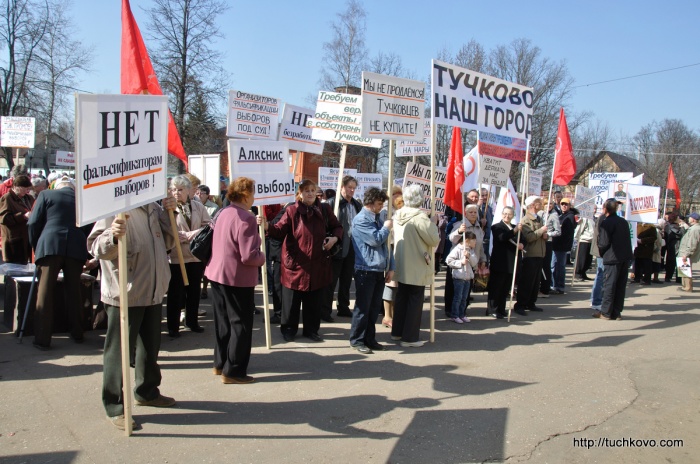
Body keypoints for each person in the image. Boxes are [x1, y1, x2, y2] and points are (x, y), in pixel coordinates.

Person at [87, 195, 179, 431]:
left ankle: (147, 391)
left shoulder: (153, 207)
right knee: (118, 351)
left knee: (150, 346)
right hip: (125, 292)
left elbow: (169, 241)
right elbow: (95, 247)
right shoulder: (113, 205)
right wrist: (112, 235)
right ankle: (115, 405)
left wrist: (171, 215)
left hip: (153, 288)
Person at [205, 177, 265, 384]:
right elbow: (249, 256)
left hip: (217, 274)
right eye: (253, 193)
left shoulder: (223, 212)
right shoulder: (245, 218)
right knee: (240, 324)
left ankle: (220, 363)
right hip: (236, 278)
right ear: (246, 195)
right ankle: (234, 370)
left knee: (223, 322)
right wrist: (263, 256)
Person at [267, 179, 342, 342]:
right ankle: (288, 329)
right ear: (300, 193)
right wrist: (266, 226)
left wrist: (334, 239)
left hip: (318, 263)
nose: (309, 193)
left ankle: (311, 330)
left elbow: (338, 227)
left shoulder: (324, 209)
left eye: (312, 190)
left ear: (317, 193)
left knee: (314, 301)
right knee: (291, 302)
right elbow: (279, 231)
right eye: (306, 190)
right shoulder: (291, 210)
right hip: (295, 264)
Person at [27, 176, 91, 350]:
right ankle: (77, 332)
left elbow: (33, 222)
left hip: (50, 244)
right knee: (74, 291)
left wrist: (37, 244)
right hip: (75, 247)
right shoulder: (82, 200)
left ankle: (42, 338)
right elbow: (89, 226)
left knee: (45, 292)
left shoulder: (47, 195)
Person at [391, 184, 440, 347]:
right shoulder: (420, 217)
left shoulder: (397, 214)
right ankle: (410, 338)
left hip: (401, 261)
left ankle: (397, 332)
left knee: (402, 298)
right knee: (414, 300)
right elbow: (433, 240)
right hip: (417, 263)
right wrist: (433, 223)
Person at [348, 187, 393, 354]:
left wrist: (390, 267)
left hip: (378, 269)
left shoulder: (377, 219)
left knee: (374, 308)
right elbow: (376, 240)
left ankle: (369, 338)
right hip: (365, 269)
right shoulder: (361, 220)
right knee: (363, 308)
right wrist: (387, 227)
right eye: (379, 203)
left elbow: (387, 246)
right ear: (370, 202)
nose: (381, 206)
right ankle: (357, 340)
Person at [166, 175, 211, 338]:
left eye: (180, 190)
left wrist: (191, 234)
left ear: (187, 191)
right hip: (176, 256)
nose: (176, 193)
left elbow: (209, 226)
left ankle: (192, 321)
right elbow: (164, 227)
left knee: (194, 291)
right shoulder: (167, 208)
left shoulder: (198, 206)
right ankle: (173, 326)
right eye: (173, 190)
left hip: (195, 255)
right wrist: (176, 235)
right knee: (175, 293)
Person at [322, 176, 362, 321]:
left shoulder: (357, 205)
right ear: (342, 187)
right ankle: (325, 310)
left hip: (352, 246)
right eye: (349, 187)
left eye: (354, 187)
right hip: (336, 246)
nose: (352, 190)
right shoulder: (332, 203)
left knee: (346, 279)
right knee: (331, 280)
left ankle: (343, 307)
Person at [595, 198, 633, 320]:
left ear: (605, 209)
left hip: (612, 258)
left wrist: (601, 252)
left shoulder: (608, 222)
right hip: (624, 257)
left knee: (609, 285)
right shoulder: (623, 222)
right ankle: (616, 312)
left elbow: (603, 242)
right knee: (620, 286)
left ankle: (606, 312)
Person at [447, 203, 487, 316]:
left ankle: (462, 312)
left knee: (465, 291)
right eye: (471, 212)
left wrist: (483, 259)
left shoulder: (479, 228)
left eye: (475, 212)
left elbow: (480, 246)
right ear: (465, 213)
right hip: (458, 262)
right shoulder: (461, 224)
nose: (473, 214)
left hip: (472, 262)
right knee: (455, 290)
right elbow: (452, 238)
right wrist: (459, 231)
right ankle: (451, 311)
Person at [513, 196, 548, 316]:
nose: (541, 204)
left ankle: (531, 302)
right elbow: (529, 237)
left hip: (540, 253)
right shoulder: (526, 220)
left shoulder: (539, 219)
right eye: (539, 202)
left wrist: (545, 235)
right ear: (532, 205)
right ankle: (520, 304)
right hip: (530, 254)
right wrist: (541, 231)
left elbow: (540, 235)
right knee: (527, 281)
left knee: (535, 281)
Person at [487, 206, 524, 319]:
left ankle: (501, 309)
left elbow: (522, 239)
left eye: (509, 214)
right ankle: (492, 309)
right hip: (500, 261)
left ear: (513, 216)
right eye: (505, 214)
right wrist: (515, 230)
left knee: (505, 288)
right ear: (502, 214)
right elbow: (502, 237)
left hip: (512, 261)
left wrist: (522, 244)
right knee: (496, 286)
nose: (507, 216)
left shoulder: (515, 226)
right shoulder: (496, 227)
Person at [380, 188, 403, 328]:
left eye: (399, 193)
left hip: (401, 249)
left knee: (397, 285)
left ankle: (394, 314)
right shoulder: (385, 212)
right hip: (390, 248)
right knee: (390, 283)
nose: (397, 196)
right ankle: (387, 315)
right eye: (394, 194)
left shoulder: (403, 210)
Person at [0, 175, 35, 264]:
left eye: (28, 188)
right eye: (23, 188)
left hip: (26, 239)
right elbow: (4, 219)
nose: (26, 190)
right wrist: (22, 216)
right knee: (14, 269)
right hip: (13, 240)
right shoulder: (7, 198)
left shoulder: (29, 198)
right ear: (15, 186)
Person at [446, 231, 478, 324]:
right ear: (467, 240)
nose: (475, 242)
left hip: (467, 277)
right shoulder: (457, 249)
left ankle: (462, 314)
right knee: (458, 297)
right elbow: (448, 260)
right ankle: (454, 315)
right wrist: (460, 262)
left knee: (464, 298)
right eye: (474, 240)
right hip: (459, 277)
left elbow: (474, 262)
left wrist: (469, 256)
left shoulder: (470, 250)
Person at [551, 197, 576, 294]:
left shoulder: (569, 216)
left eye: (566, 204)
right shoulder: (561, 215)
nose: (564, 206)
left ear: (569, 206)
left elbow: (566, 232)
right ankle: (556, 285)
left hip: (561, 245)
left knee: (559, 266)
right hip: (557, 244)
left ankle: (559, 286)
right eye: (562, 204)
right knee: (555, 266)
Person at [538, 200, 561, 298]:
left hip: (548, 242)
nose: (548, 206)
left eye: (550, 204)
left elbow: (558, 231)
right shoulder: (540, 213)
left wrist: (548, 234)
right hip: (538, 242)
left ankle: (545, 289)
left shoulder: (554, 215)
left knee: (546, 265)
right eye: (546, 204)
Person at [677, 212, 700, 292]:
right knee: (684, 270)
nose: (688, 219)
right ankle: (685, 286)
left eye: (689, 217)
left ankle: (687, 287)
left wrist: (686, 254)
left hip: (686, 253)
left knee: (686, 270)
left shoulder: (695, 229)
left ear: (693, 219)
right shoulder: (693, 228)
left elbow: (692, 243)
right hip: (685, 252)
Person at [574, 209, 595, 281]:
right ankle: (578, 273)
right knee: (581, 259)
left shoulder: (593, 218)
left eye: (595, 209)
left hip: (590, 241)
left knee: (588, 259)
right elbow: (580, 228)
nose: (594, 210)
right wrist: (577, 238)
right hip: (584, 240)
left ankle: (583, 273)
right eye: (593, 209)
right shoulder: (585, 218)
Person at [663, 213, 684, 283]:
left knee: (671, 262)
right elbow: (680, 233)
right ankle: (676, 278)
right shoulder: (672, 227)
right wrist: (683, 227)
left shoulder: (668, 226)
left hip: (671, 245)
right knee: (674, 262)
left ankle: (669, 277)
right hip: (675, 246)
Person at [478, 187, 494, 259]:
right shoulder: (477, 207)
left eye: (486, 195)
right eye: (482, 195)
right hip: (481, 238)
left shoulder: (490, 208)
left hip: (489, 238)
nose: (484, 197)